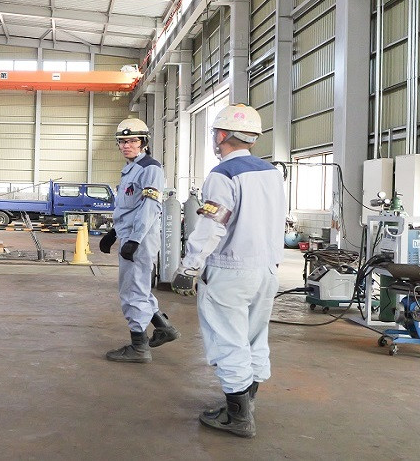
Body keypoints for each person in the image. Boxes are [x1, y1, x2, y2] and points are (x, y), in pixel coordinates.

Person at [172, 104, 286, 438]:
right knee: (254, 337)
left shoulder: (223, 175)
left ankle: (238, 417)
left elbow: (212, 225)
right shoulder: (271, 173)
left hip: (230, 270)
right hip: (267, 269)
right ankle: (247, 403)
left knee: (227, 340)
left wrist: (189, 267)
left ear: (221, 135)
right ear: (253, 137)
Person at [99, 118, 180, 363]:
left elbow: (149, 207)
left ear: (143, 142)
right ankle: (163, 327)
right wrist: (114, 233)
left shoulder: (149, 168)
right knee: (139, 287)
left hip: (140, 238)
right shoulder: (131, 169)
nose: (126, 145)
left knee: (132, 290)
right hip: (130, 234)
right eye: (122, 141)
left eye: (132, 140)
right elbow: (130, 209)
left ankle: (139, 347)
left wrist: (133, 240)